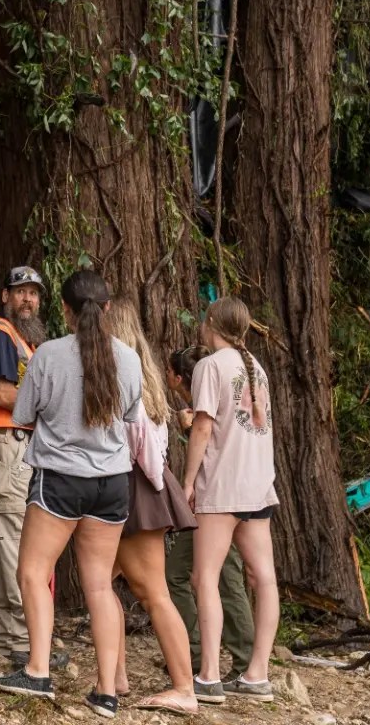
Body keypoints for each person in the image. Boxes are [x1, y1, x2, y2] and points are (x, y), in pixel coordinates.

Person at [0, 270, 142, 717]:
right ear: (107, 309)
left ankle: (37, 671)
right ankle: (107, 691)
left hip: (60, 479)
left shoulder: (49, 354)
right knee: (100, 584)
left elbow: (22, 412)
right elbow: (131, 416)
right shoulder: (129, 358)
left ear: (66, 311)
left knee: (33, 573)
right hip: (111, 482)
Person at [181, 297, 280, 704]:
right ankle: (258, 674)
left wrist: (188, 482)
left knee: (204, 577)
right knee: (264, 578)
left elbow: (203, 427)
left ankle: (209, 675)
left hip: (223, 485)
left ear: (210, 324)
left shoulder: (210, 366)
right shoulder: (257, 368)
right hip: (258, 484)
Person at [103, 298, 199, 714]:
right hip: (135, 486)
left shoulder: (126, 378)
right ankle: (116, 674)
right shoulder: (145, 376)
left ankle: (184, 688)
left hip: (134, 487)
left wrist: (152, 488)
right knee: (100, 582)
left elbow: (140, 445)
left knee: (154, 593)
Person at [0, 265, 68, 669]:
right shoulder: (0, 334)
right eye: (20, 291)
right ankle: (27, 639)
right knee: (14, 542)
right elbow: (5, 394)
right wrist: (54, 404)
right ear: (5, 297)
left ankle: (10, 636)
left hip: (17, 447)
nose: (28, 299)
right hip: (3, 443)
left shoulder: (24, 341)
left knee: (11, 540)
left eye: (34, 293)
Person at [163, 344, 255, 691]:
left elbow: (214, 446)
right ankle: (200, 653)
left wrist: (189, 432)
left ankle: (237, 661)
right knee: (189, 574)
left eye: (169, 371)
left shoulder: (206, 403)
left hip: (217, 501)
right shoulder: (206, 399)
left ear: (177, 377)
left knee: (222, 577)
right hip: (216, 500)